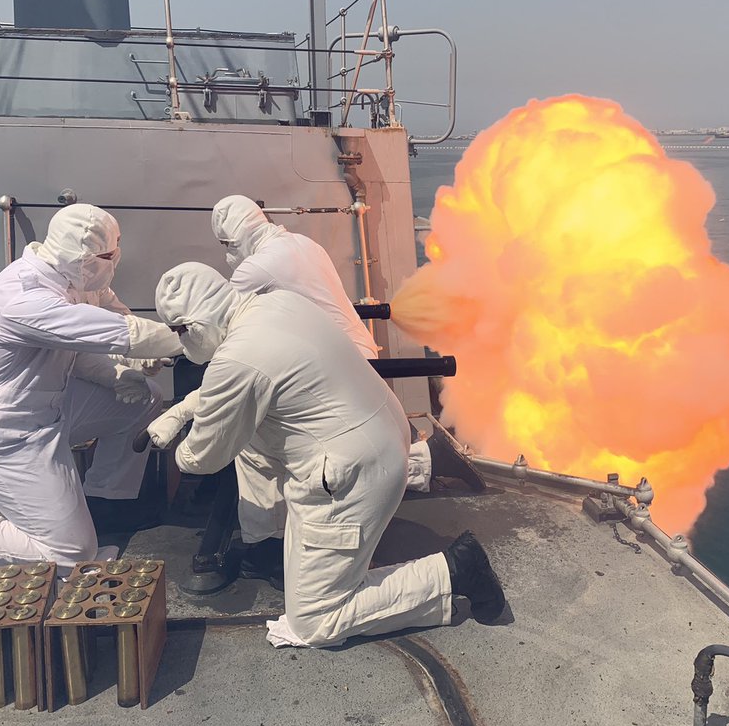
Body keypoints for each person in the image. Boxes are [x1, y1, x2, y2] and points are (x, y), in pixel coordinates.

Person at [150, 262, 505, 647]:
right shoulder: (278, 304)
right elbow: (248, 380)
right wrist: (183, 409)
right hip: (386, 436)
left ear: (195, 325)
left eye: (181, 332)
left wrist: (175, 445)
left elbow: (205, 455)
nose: (183, 342)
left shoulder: (235, 358)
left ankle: (454, 571)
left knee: (316, 620)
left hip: (352, 478)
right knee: (252, 439)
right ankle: (288, 537)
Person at [152, 195, 484, 585]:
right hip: (343, 352)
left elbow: (215, 330)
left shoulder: (254, 271)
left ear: (232, 239)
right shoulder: (300, 243)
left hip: (319, 366)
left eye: (225, 247)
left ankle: (269, 543)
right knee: (326, 441)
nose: (225, 256)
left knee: (261, 441)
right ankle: (422, 461)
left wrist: (153, 356)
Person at [0, 204, 182, 580]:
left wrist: (127, 370)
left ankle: (105, 503)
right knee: (74, 553)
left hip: (51, 408)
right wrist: (187, 339)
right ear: (81, 256)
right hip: (7, 434)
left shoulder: (78, 280)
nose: (114, 262)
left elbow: (107, 329)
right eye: (108, 256)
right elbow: (117, 334)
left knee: (146, 397)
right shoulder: (22, 298)